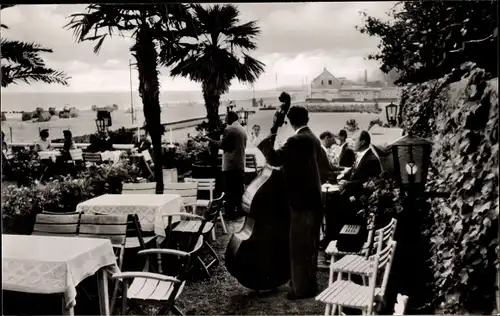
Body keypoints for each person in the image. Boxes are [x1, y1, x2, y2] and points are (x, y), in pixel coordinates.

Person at [257, 105, 329, 300]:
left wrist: (270, 134)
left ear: (289, 121)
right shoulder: (312, 138)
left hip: (301, 202)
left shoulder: (296, 140)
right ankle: (308, 284)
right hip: (313, 199)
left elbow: (275, 159)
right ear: (307, 118)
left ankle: (301, 290)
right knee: (311, 246)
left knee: (299, 247)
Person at [204, 111, 247, 218]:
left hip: (230, 165)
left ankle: (229, 212)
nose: (225, 120)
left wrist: (209, 139)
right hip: (240, 164)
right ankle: (239, 209)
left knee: (229, 189)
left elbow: (222, 145)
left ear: (231, 118)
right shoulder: (242, 129)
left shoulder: (229, 129)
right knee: (238, 189)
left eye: (226, 117)